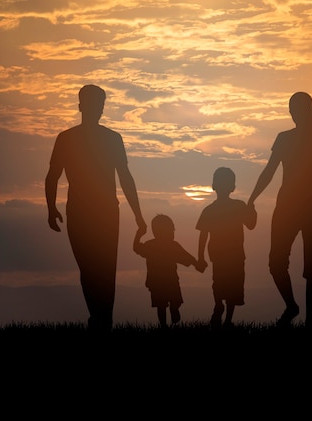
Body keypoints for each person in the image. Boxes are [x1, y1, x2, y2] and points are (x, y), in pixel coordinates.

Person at [45, 84, 146, 331]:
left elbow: (125, 177)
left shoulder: (111, 139)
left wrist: (138, 215)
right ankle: (100, 320)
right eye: (92, 105)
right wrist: (51, 208)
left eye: (99, 105)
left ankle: (102, 322)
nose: (96, 110)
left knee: (103, 269)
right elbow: (52, 176)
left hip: (106, 213)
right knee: (90, 268)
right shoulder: (67, 138)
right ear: (80, 106)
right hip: (80, 213)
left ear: (102, 108)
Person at [248, 92, 312, 328]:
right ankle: (292, 306)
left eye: (296, 109)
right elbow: (269, 171)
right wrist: (252, 198)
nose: (293, 113)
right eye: (291, 109)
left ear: (308, 110)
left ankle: (309, 321)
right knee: (276, 263)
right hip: (287, 207)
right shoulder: (284, 138)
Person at [196, 167, 257, 328]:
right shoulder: (238, 206)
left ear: (213, 186)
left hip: (222, 255)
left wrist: (201, 257)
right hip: (231, 255)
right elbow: (251, 225)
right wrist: (253, 211)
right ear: (233, 187)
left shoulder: (210, 210)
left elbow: (203, 236)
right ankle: (227, 316)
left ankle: (222, 310)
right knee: (231, 286)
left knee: (221, 283)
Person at [133, 214, 202, 328]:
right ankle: (166, 322)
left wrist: (139, 234)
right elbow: (186, 257)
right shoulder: (169, 246)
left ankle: (168, 317)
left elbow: (136, 247)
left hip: (158, 282)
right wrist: (196, 264)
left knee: (163, 305)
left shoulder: (151, 245)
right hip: (169, 281)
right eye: (171, 230)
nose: (173, 233)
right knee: (165, 304)